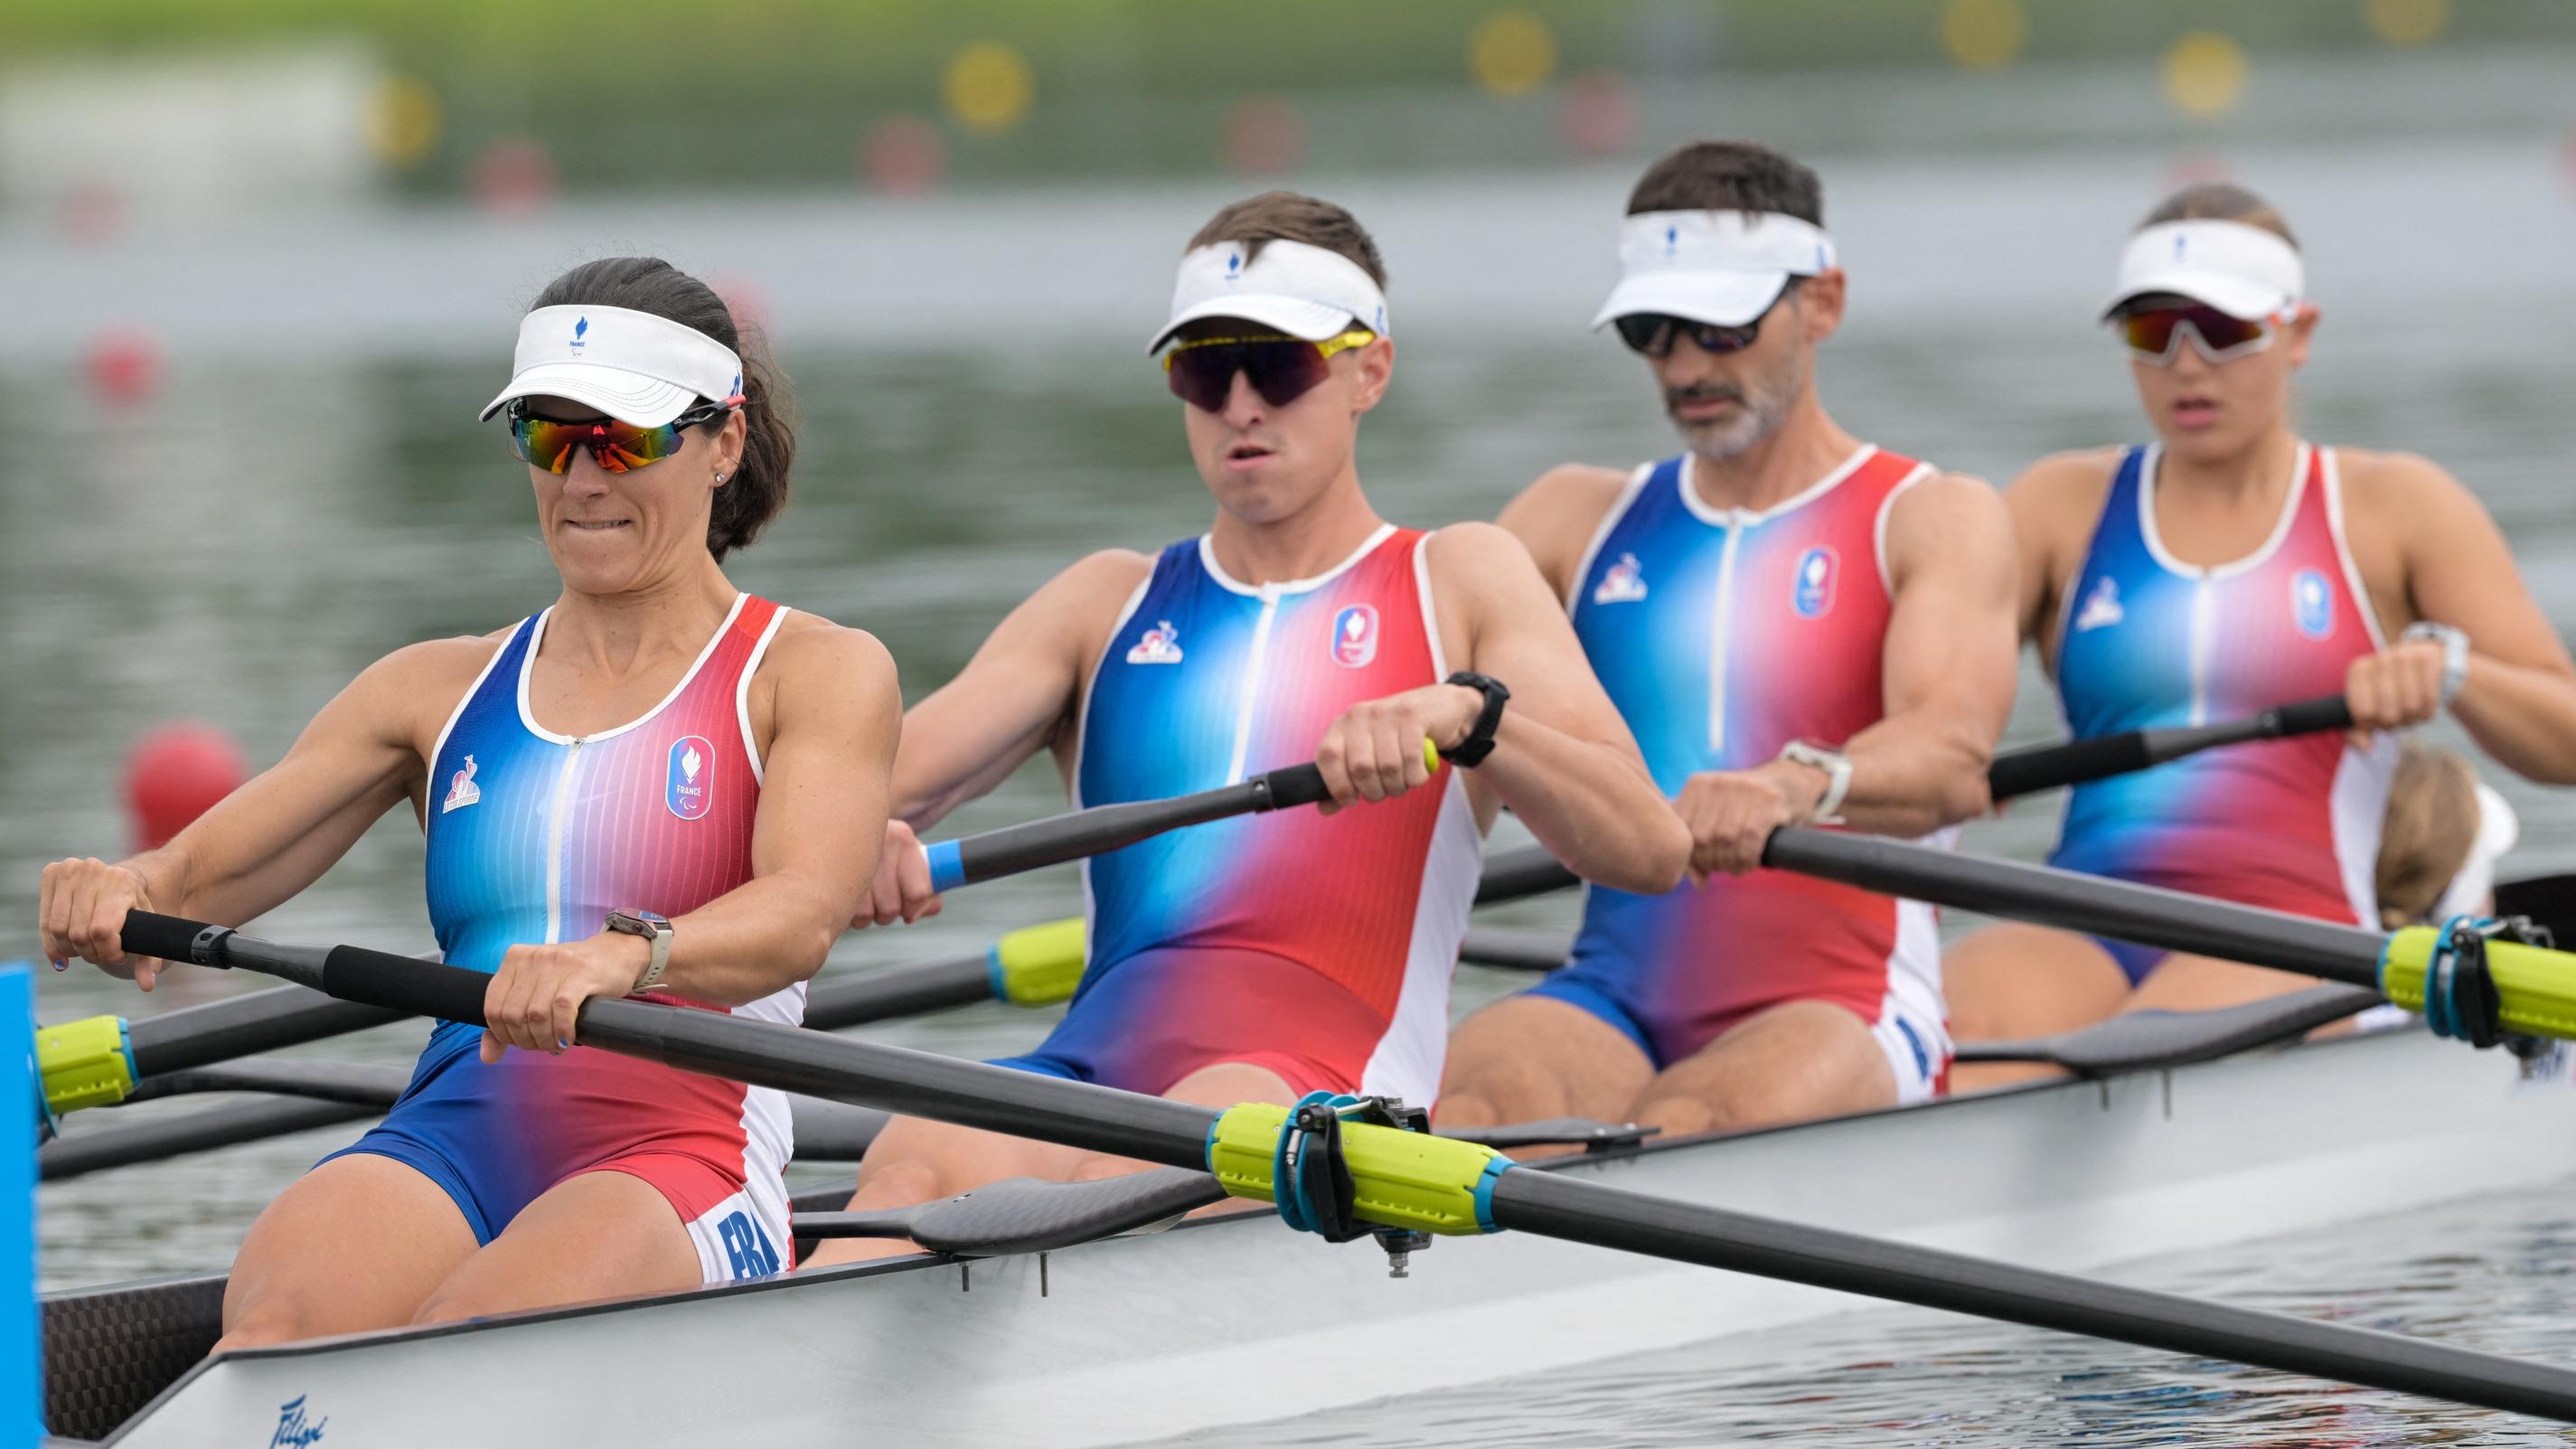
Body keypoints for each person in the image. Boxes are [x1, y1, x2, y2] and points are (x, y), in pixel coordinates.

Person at [805, 192, 1688, 1266]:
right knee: (912, 1166)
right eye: (1200, 370)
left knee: (1149, 1155)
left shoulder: (1457, 579)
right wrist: (858, 837)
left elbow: (1651, 848)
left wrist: (1472, 718)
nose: (1237, 406)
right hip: (1086, 1068)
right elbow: (857, 792)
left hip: (1312, 1099)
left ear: (1370, 371)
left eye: (1277, 367)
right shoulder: (1106, 603)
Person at [37, 258, 894, 1343]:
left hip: (679, 1151)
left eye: (623, 438)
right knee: (280, 1324)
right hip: (454, 1133)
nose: (582, 479)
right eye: (547, 434)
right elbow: (193, 876)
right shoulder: (431, 691)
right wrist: (115, 890)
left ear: (722, 442)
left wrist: (625, 955)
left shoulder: (810, 670)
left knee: (481, 1331)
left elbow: (804, 913)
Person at [1436, 141, 2019, 1138]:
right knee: (1461, 1110)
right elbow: (1436, 744)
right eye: (1651, 332)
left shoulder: (1931, 516)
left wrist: (1792, 783)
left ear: (1822, 303)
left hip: (1841, 1005)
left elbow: (1953, 758)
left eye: (1720, 325)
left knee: (1692, 1122)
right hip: (1609, 996)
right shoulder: (1570, 521)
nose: (1686, 365)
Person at [1944, 183, 2576, 1089]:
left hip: (2297, 929)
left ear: (2300, 333)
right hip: (2084, 917)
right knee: (1944, 1041)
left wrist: (2451, 672)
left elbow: (2566, 739)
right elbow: (1924, 708)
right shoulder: (2055, 508)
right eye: (2153, 332)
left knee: (2122, 1062)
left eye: (2224, 329)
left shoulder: (2396, 508)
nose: (2188, 364)